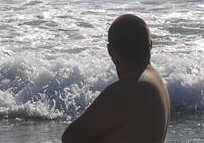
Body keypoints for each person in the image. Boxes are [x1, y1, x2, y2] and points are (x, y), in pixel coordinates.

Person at [62, 14, 170, 143]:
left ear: (110, 50)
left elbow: (70, 137)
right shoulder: (156, 81)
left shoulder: (130, 89)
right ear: (150, 45)